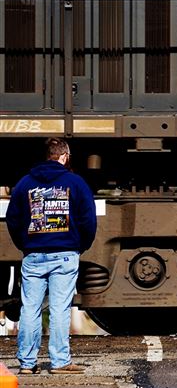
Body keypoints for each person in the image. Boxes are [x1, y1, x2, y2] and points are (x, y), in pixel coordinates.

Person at [5, 138, 97, 375]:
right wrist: (80, 246)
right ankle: (60, 362)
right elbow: (88, 219)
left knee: (30, 309)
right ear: (64, 156)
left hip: (33, 255)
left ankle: (26, 363)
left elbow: (13, 220)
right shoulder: (75, 183)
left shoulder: (25, 184)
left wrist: (25, 245)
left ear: (47, 156)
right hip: (65, 254)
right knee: (59, 308)